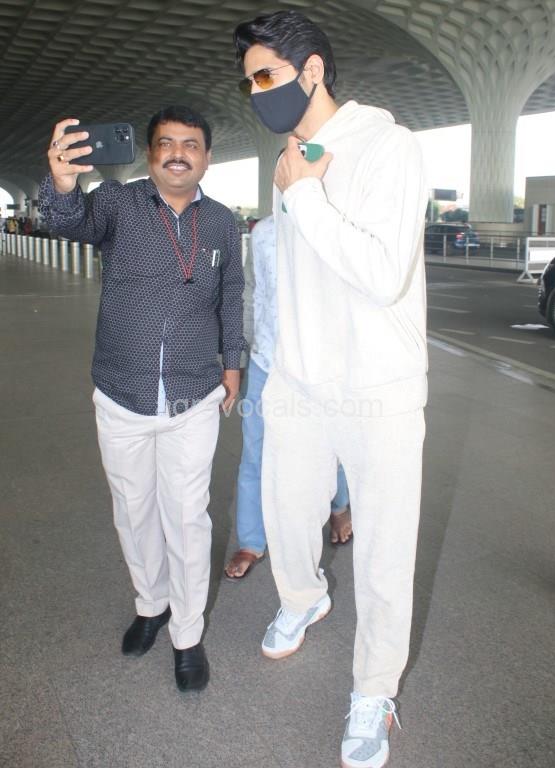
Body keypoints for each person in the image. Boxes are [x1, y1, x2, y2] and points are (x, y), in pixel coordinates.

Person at [234, 11, 428, 768]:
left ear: (311, 70)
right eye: (249, 81)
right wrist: (277, 364)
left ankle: (374, 690)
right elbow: (294, 275)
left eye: (266, 75)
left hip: (380, 385)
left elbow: (382, 274)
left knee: (384, 553)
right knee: (285, 512)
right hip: (300, 379)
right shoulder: (289, 158)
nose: (256, 92)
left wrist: (308, 196)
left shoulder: (389, 146)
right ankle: (302, 597)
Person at [38, 105, 244, 693]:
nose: (178, 153)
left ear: (206, 156)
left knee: (187, 516)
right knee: (133, 510)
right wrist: (61, 182)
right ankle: (151, 605)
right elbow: (67, 221)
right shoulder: (117, 203)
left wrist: (233, 364)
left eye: (191, 144)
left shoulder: (222, 222)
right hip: (122, 392)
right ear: (150, 154)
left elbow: (231, 292)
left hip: (194, 393)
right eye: (166, 143)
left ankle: (187, 633)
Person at [224, 215, 351, 581]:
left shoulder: (335, 226)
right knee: (255, 453)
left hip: (322, 367)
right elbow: (251, 295)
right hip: (267, 361)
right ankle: (251, 541)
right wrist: (242, 359)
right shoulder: (263, 232)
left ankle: (340, 507)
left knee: (331, 446)